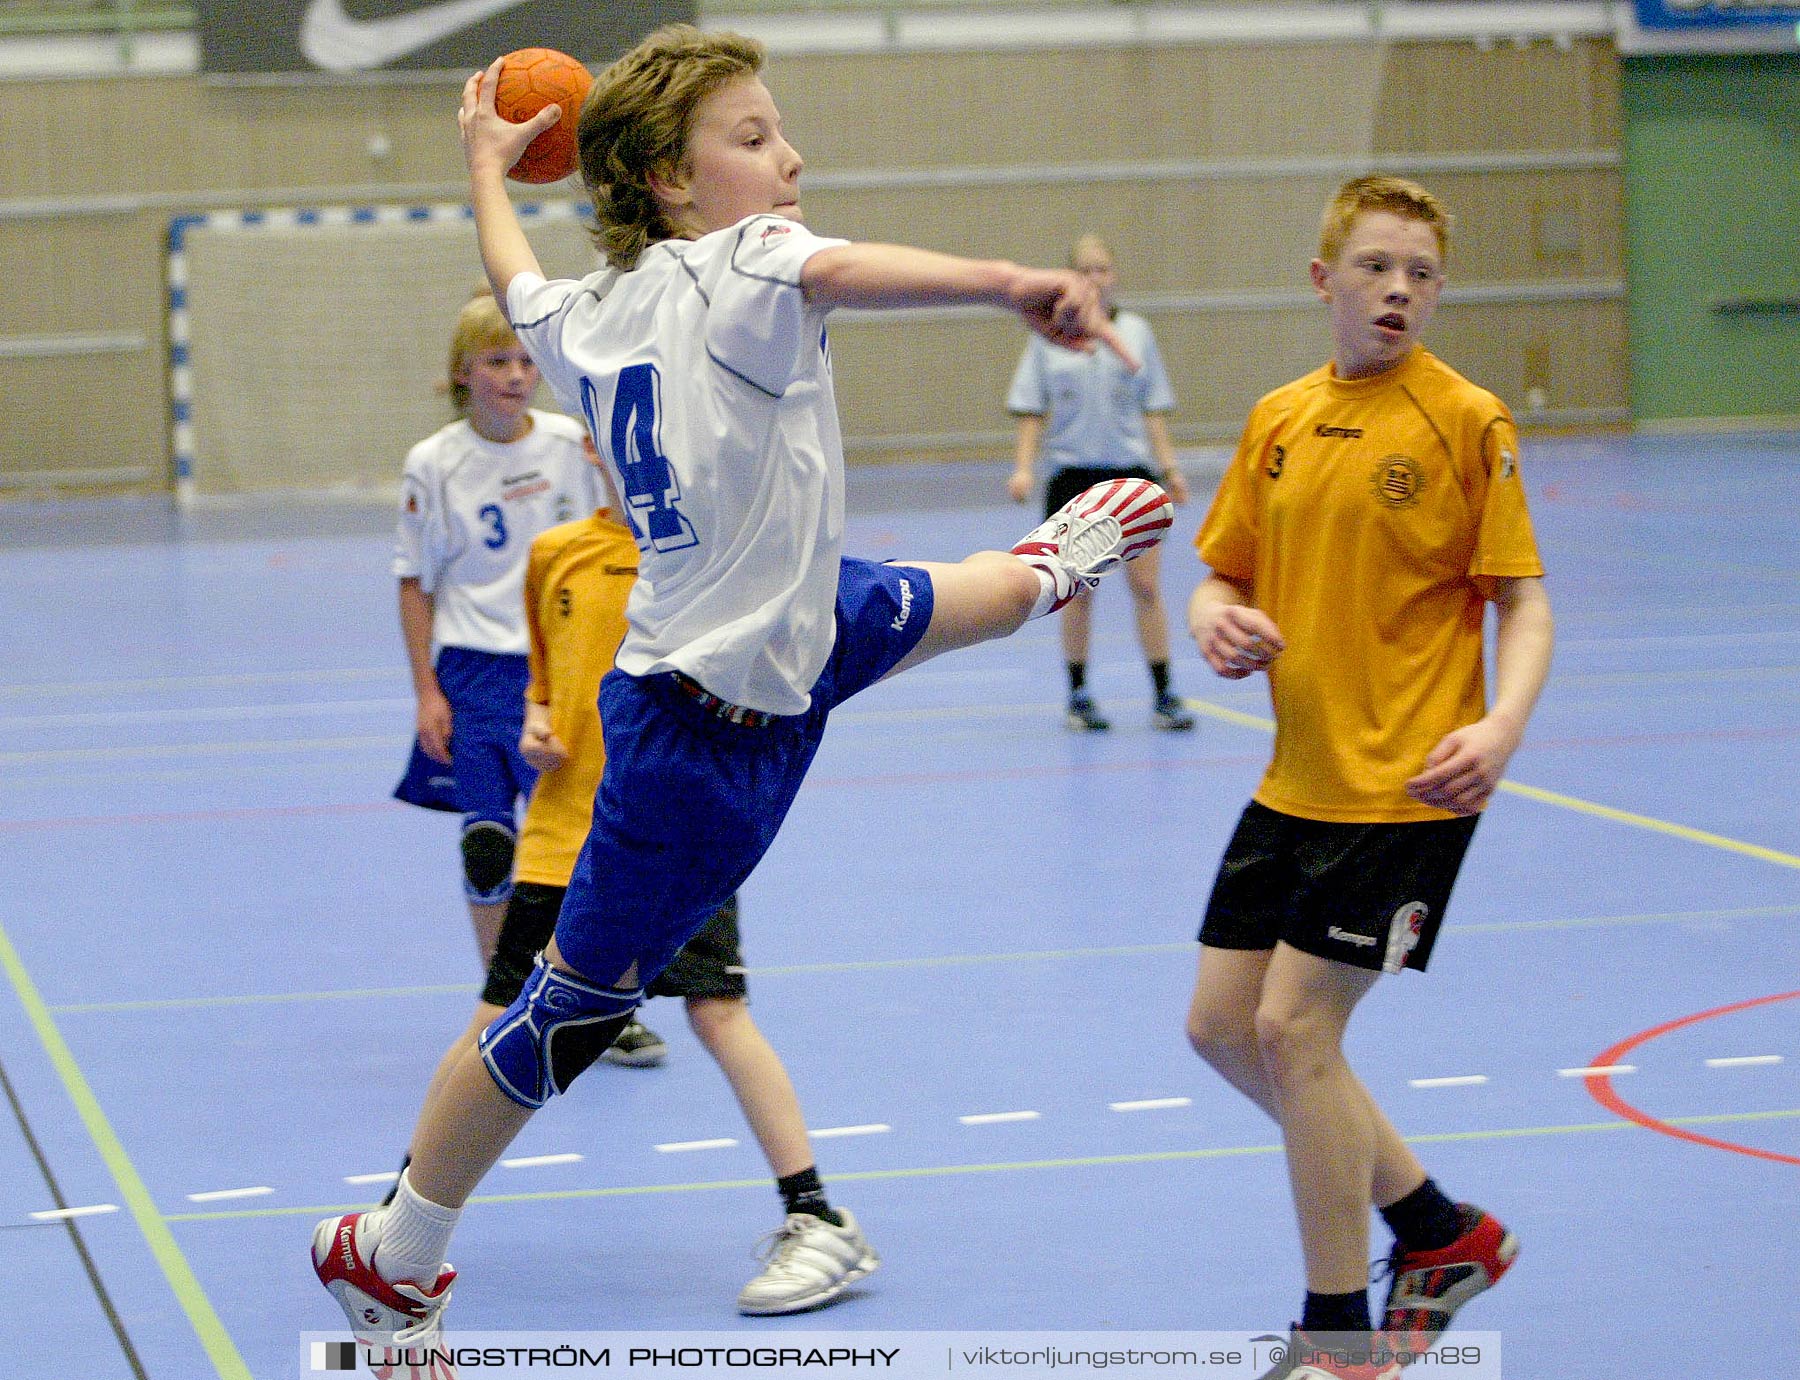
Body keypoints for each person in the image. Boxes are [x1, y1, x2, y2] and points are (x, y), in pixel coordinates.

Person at [313, 23, 1171, 1351]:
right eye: (756, 137)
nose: (792, 157)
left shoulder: (589, 320)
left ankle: (1066, 552)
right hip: (699, 737)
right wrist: (1008, 281)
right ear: (670, 174)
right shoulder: (750, 264)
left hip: (798, 632)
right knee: (567, 1012)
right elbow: (841, 266)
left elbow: (514, 268)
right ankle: (393, 1247)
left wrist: (485, 165)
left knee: (979, 595)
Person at [1183, 175, 1552, 1379]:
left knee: (1295, 1031)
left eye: (1423, 273)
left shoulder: (1466, 419)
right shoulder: (1280, 419)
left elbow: (1524, 599)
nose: (1400, 290)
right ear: (1324, 280)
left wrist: (1501, 726)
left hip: (1411, 788)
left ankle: (1340, 1337)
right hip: (1297, 779)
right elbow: (1223, 572)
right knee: (1223, 1030)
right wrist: (1212, 616)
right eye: (1377, 267)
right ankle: (1440, 1232)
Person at [394, 468, 880, 1315]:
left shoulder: (710, 561)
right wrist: (536, 724)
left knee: (720, 1013)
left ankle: (816, 1214)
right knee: (493, 1023)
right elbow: (542, 686)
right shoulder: (557, 554)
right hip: (561, 840)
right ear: (593, 433)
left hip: (674, 828)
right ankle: (401, 1217)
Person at [1006, 234, 1194, 733]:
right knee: (1078, 591)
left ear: (1114, 277)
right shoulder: (1048, 339)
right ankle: (1079, 694)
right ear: (1071, 279)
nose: (1096, 278)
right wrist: (1023, 468)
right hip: (1073, 477)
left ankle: (1164, 692)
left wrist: (1170, 468)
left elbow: (1152, 408)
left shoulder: (1137, 332)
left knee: (1147, 586)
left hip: (1130, 474)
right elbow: (1032, 412)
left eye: (1104, 269)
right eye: (1085, 270)